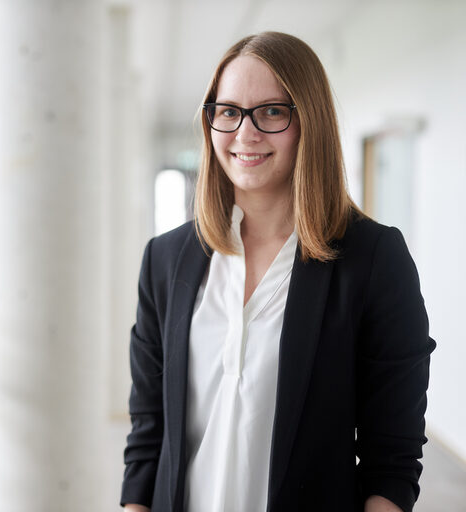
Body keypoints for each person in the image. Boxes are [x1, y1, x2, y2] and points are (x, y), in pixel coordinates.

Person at [120, 32, 434, 512]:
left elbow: (391, 457)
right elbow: (147, 436)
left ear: (309, 121)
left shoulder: (373, 259)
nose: (245, 134)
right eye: (228, 112)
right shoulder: (165, 260)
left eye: (271, 111)